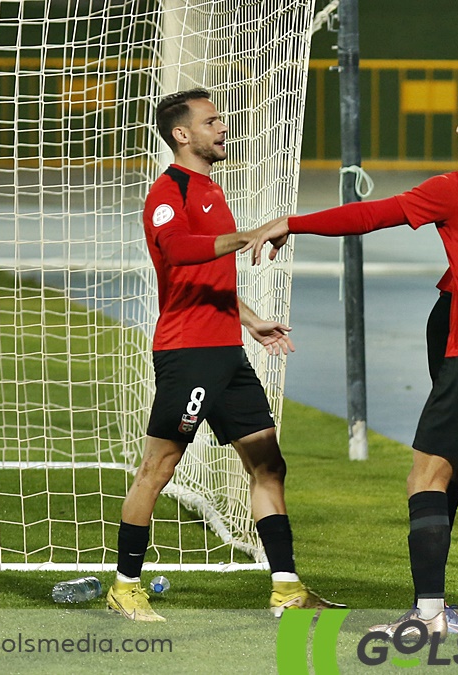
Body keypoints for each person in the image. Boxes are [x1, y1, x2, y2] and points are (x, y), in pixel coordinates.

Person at [245, 80, 458, 638]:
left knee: (427, 477)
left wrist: (292, 222)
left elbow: (372, 216)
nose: (457, 128)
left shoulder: (456, 189)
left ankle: (430, 614)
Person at [108, 88, 342, 622]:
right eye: (211, 121)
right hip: (187, 353)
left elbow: (208, 279)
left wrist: (254, 321)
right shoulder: (168, 193)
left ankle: (286, 587)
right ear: (181, 134)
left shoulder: (212, 190)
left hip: (227, 352)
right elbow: (180, 252)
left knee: (268, 464)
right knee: (158, 468)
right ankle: (125, 585)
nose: (223, 128)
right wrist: (248, 235)